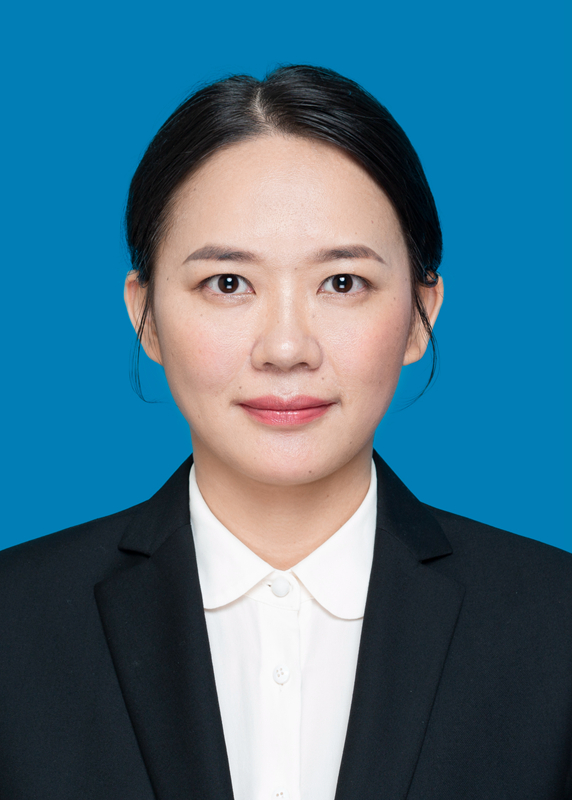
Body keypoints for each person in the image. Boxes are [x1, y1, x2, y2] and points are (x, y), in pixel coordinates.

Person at [0, 65, 570, 800]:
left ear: (421, 314)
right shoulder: (15, 624)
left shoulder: (554, 625)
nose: (286, 347)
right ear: (145, 316)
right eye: (227, 284)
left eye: (343, 283)